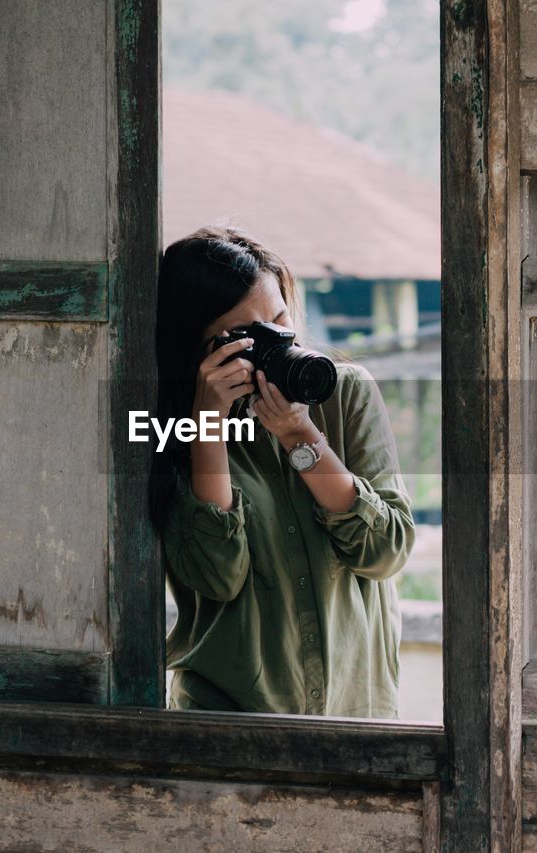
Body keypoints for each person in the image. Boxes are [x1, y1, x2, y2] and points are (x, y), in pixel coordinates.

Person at [149, 225, 415, 718]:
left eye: (280, 320)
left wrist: (302, 437)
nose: (276, 344)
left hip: (355, 717)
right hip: (228, 722)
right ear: (200, 350)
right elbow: (217, 574)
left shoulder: (345, 393)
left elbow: (387, 550)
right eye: (249, 338)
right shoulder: (169, 426)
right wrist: (207, 423)